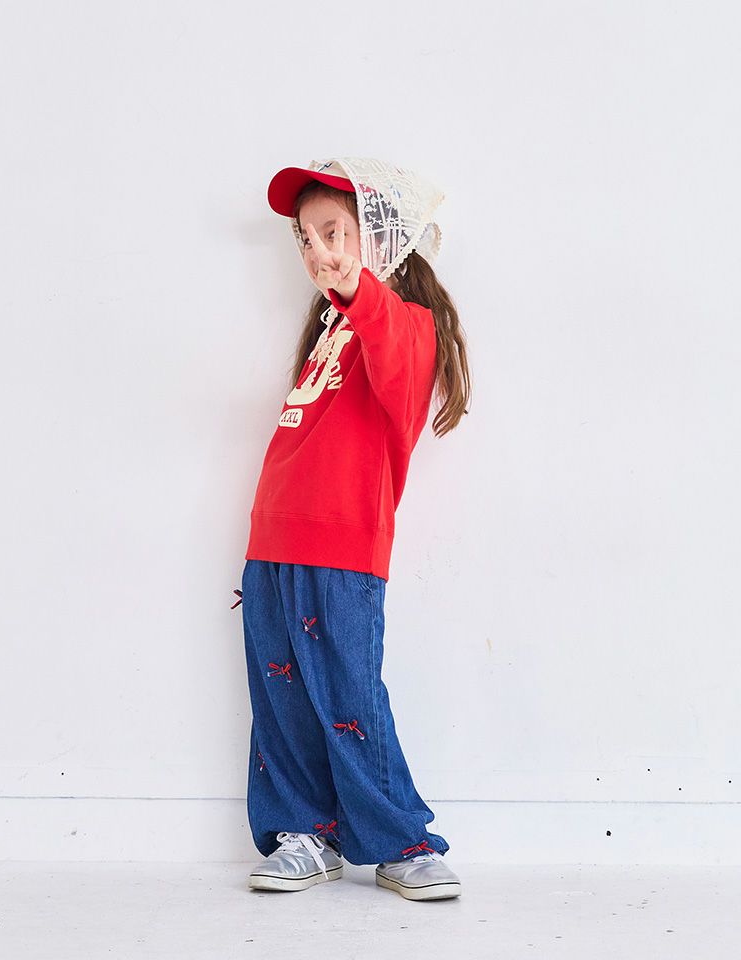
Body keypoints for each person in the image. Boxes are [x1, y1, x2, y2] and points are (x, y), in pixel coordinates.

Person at [232, 157, 472, 901]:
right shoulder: (329, 330)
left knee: (349, 702)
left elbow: (390, 340)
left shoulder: (405, 328)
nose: (316, 251)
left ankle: (401, 840)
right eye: (306, 239)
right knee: (282, 707)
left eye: (334, 232)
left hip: (341, 549)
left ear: (382, 237)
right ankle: (304, 833)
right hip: (272, 543)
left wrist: (358, 288)